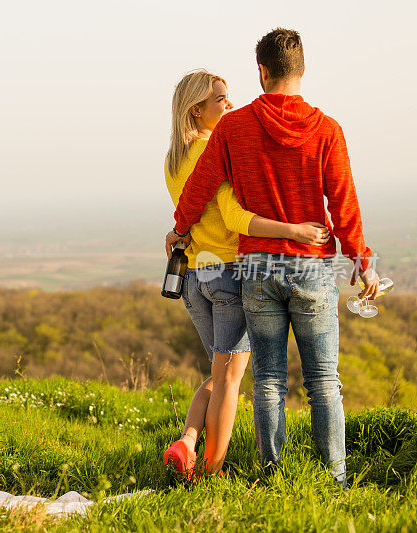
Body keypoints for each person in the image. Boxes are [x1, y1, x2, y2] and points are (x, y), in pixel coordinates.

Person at [167, 29, 379, 486]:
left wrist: (180, 229)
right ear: (301, 69)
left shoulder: (233, 127)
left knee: (268, 382)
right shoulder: (327, 129)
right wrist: (362, 262)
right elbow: (344, 206)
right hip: (310, 267)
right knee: (324, 382)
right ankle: (336, 481)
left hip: (256, 268)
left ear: (261, 71)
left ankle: (273, 477)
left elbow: (198, 188)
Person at [161, 70, 330, 478]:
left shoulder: (172, 159)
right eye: (220, 99)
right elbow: (236, 217)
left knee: (219, 373)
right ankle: (210, 473)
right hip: (229, 276)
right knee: (230, 378)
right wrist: (294, 230)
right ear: (196, 110)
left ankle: (187, 442)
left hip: (195, 280)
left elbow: (190, 216)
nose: (229, 104)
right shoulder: (210, 152)